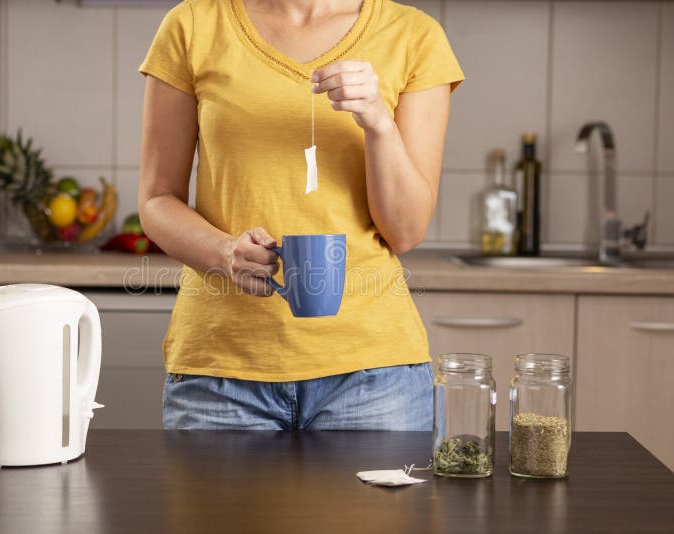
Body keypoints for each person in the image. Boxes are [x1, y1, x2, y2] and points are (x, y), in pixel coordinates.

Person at [138, 0, 464, 430]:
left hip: (375, 378)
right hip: (220, 371)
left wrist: (379, 124)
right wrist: (223, 252)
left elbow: (405, 231)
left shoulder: (414, 34)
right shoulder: (193, 24)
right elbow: (157, 199)